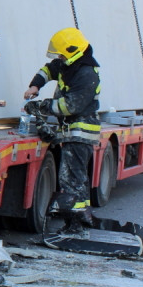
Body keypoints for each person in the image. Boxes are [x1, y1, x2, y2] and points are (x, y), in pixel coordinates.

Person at [24, 27, 101, 232]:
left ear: (72, 51)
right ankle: (82, 215)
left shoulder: (86, 74)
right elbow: (48, 70)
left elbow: (70, 106)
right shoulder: (70, 64)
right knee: (77, 177)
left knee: (70, 179)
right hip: (73, 130)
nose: (58, 57)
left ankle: (74, 225)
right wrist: (35, 86)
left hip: (80, 132)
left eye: (61, 54)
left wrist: (42, 106)